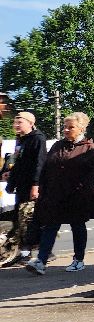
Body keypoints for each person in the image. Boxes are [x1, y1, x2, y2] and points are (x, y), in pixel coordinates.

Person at [25, 111, 94, 275]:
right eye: (65, 127)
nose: (66, 130)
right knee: (50, 226)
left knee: (77, 226)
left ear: (81, 128)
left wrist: (81, 185)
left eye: (70, 127)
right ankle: (41, 261)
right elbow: (46, 167)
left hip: (77, 196)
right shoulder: (57, 145)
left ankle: (78, 260)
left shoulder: (89, 148)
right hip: (55, 195)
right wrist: (40, 187)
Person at [2, 110, 46, 267]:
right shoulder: (21, 139)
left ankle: (38, 253)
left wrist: (35, 185)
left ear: (30, 123)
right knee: (18, 220)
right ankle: (23, 253)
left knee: (28, 219)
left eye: (19, 122)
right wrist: (9, 178)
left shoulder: (38, 138)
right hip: (20, 186)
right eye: (15, 122)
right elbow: (17, 162)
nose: (16, 125)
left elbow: (39, 163)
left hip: (31, 186)